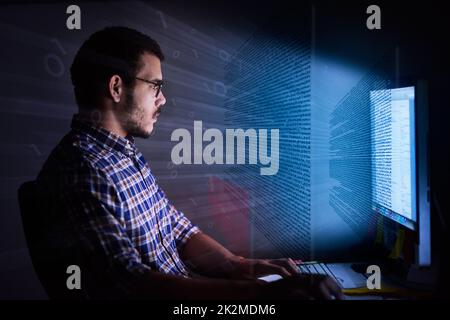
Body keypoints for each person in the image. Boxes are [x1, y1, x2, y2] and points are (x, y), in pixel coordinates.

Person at [36, 26, 343, 300]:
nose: (163, 99)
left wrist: (241, 267)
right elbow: (132, 285)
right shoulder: (83, 170)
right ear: (116, 88)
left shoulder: (121, 154)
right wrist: (261, 295)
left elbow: (176, 228)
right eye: (155, 85)